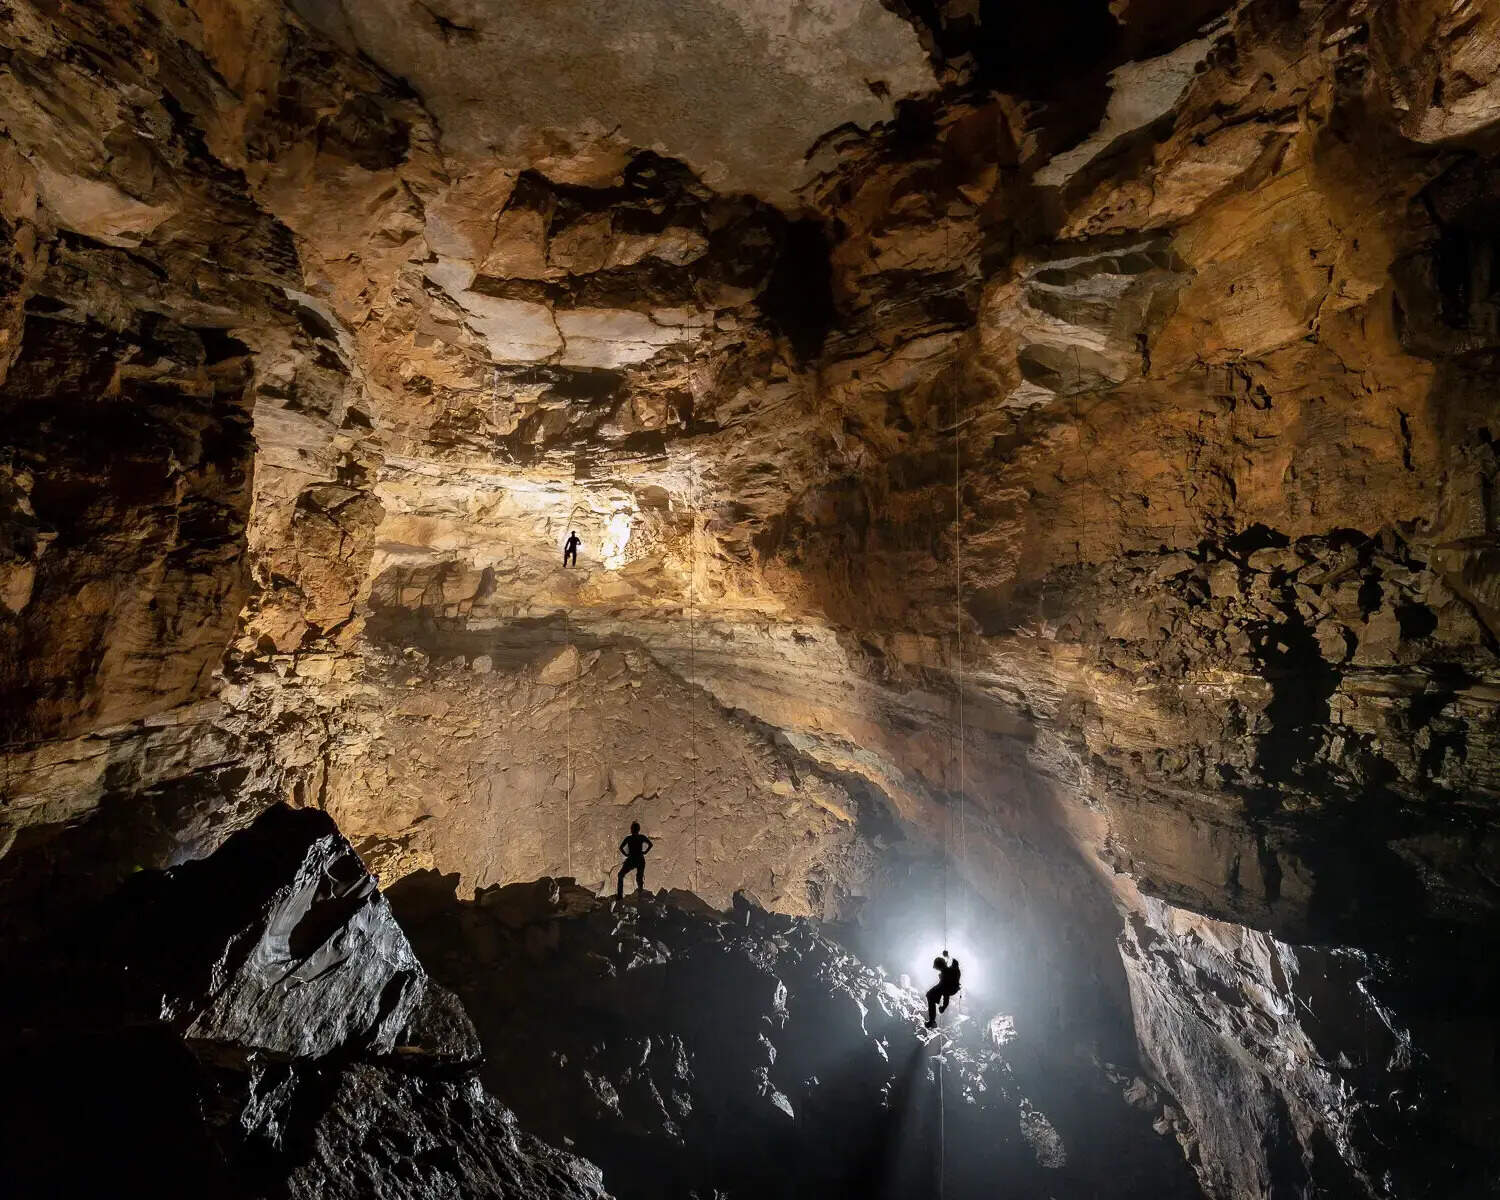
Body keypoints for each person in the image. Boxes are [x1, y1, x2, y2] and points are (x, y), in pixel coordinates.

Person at [616, 821, 653, 900]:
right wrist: (645, 852)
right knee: (639, 878)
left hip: (632, 859)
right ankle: (640, 894)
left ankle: (619, 896)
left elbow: (621, 847)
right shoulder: (641, 837)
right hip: (640, 859)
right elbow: (650, 844)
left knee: (620, 875)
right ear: (638, 829)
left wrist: (626, 854)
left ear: (631, 829)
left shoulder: (629, 838)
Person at [925, 952, 962, 1028]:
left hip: (950, 988)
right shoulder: (952, 969)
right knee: (930, 995)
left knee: (930, 995)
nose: (938, 970)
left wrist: (944, 1007)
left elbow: (946, 995)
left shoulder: (946, 976)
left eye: (938, 968)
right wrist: (947, 956)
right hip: (951, 987)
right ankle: (932, 1021)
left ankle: (932, 1021)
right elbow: (955, 961)